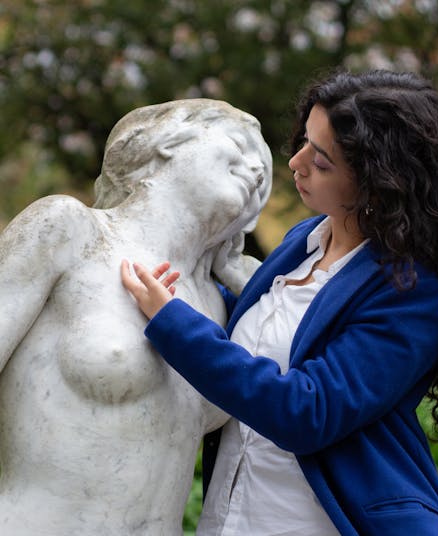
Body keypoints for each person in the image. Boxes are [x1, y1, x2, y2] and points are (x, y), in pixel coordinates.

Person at [121, 70, 438, 535]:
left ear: (379, 184)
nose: (296, 162)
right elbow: (261, 332)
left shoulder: (413, 290)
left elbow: (306, 411)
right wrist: (182, 290)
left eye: (322, 162)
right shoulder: (307, 240)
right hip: (234, 516)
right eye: (304, 142)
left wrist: (174, 323)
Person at [0, 98, 271, 535]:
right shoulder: (70, 230)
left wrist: (257, 282)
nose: (257, 171)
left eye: (267, 175)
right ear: (169, 140)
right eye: (241, 147)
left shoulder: (219, 305)